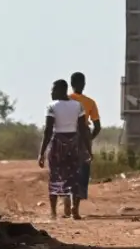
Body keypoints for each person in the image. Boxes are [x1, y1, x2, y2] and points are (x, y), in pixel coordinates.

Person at [38, 79, 91, 220]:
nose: (51, 93)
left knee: (55, 176)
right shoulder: (78, 106)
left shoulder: (51, 106)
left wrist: (42, 152)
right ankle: (75, 209)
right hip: (74, 143)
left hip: (57, 143)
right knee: (74, 175)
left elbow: (48, 130)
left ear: (59, 90)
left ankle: (53, 212)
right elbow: (83, 129)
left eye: (52, 90)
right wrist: (87, 149)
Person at [69, 71, 101, 210]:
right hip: (83, 136)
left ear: (71, 84)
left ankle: (66, 202)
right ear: (84, 84)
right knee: (82, 170)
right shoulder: (90, 102)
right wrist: (88, 139)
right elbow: (97, 126)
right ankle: (75, 205)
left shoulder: (64, 99)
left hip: (66, 134)